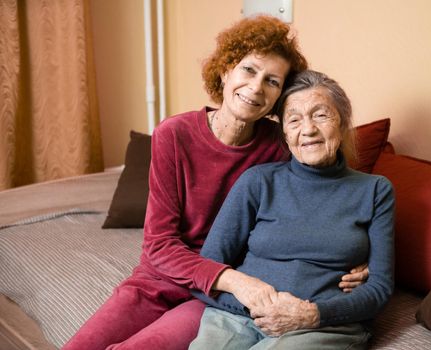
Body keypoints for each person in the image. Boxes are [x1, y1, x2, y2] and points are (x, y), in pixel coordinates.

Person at [63, 16, 368, 350]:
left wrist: (361, 256)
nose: (256, 87)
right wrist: (238, 281)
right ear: (225, 71)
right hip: (162, 278)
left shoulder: (282, 144)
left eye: (272, 81)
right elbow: (159, 245)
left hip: (217, 296)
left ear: (279, 98)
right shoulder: (173, 134)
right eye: (249, 70)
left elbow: (327, 192)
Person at [189, 70, 395, 350]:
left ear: (344, 123)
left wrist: (311, 315)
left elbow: (379, 289)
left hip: (323, 324)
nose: (307, 129)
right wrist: (258, 307)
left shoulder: (375, 190)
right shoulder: (258, 181)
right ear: (284, 134)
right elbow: (204, 271)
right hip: (237, 316)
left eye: (321, 115)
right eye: (294, 119)